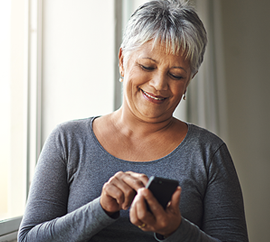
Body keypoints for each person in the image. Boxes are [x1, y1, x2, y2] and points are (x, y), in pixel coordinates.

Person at [18, 0, 249, 241]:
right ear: (122, 61)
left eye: (175, 74)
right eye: (147, 66)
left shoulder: (209, 152)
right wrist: (102, 208)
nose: (159, 84)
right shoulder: (67, 141)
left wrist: (175, 229)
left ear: (190, 79)